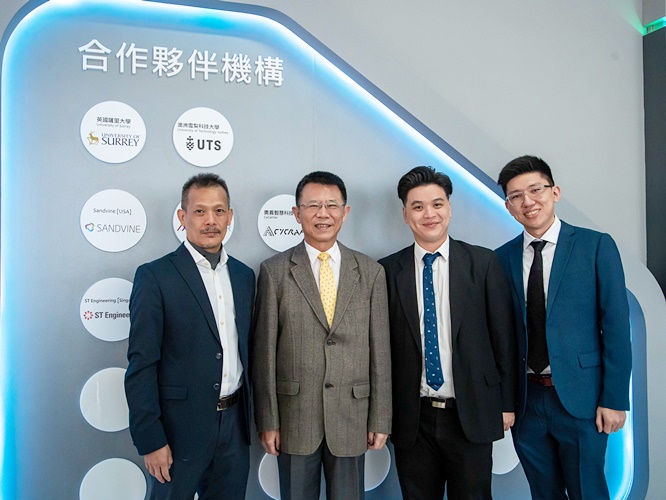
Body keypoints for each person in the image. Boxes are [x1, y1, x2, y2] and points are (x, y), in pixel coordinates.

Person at [495, 155, 632, 499]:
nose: (528, 201)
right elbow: (502, 336)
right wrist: (504, 400)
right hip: (527, 401)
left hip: (583, 399)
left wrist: (614, 399)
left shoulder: (595, 246)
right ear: (508, 207)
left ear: (554, 192)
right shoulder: (501, 258)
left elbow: (616, 326)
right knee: (543, 493)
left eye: (535, 190)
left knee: (589, 491)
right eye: (516, 196)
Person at [252, 171, 392, 500]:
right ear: (296, 213)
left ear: (346, 212)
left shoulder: (371, 272)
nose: (323, 213)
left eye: (332, 205)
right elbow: (264, 353)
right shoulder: (274, 271)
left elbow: (381, 352)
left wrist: (381, 417)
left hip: (352, 416)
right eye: (313, 205)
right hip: (295, 417)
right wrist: (268, 420)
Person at [379, 166, 516, 499]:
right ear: (405, 215)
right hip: (413, 417)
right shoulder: (387, 271)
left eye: (437, 204)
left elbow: (504, 338)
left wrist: (506, 403)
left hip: (472, 412)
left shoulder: (483, 263)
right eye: (418, 206)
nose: (429, 214)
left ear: (449, 209)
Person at [124, 173, 255, 499]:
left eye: (219, 211)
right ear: (182, 217)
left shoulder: (244, 275)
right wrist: (151, 439)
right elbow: (141, 364)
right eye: (199, 211)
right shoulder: (155, 276)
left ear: (230, 216)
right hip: (177, 431)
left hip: (235, 428)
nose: (211, 220)